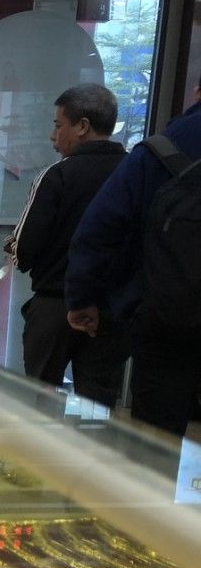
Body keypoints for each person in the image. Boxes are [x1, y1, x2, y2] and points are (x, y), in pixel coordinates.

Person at [67, 76, 201, 437]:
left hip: (164, 319)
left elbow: (98, 230)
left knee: (156, 439)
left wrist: (82, 299)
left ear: (197, 92)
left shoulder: (161, 150)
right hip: (164, 319)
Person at [7, 83, 129, 406]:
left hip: (55, 305)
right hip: (112, 310)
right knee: (97, 406)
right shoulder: (132, 174)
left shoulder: (57, 176)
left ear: (83, 126)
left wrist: (15, 248)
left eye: (58, 125)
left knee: (42, 399)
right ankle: (90, 441)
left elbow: (25, 249)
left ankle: (43, 441)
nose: (53, 136)